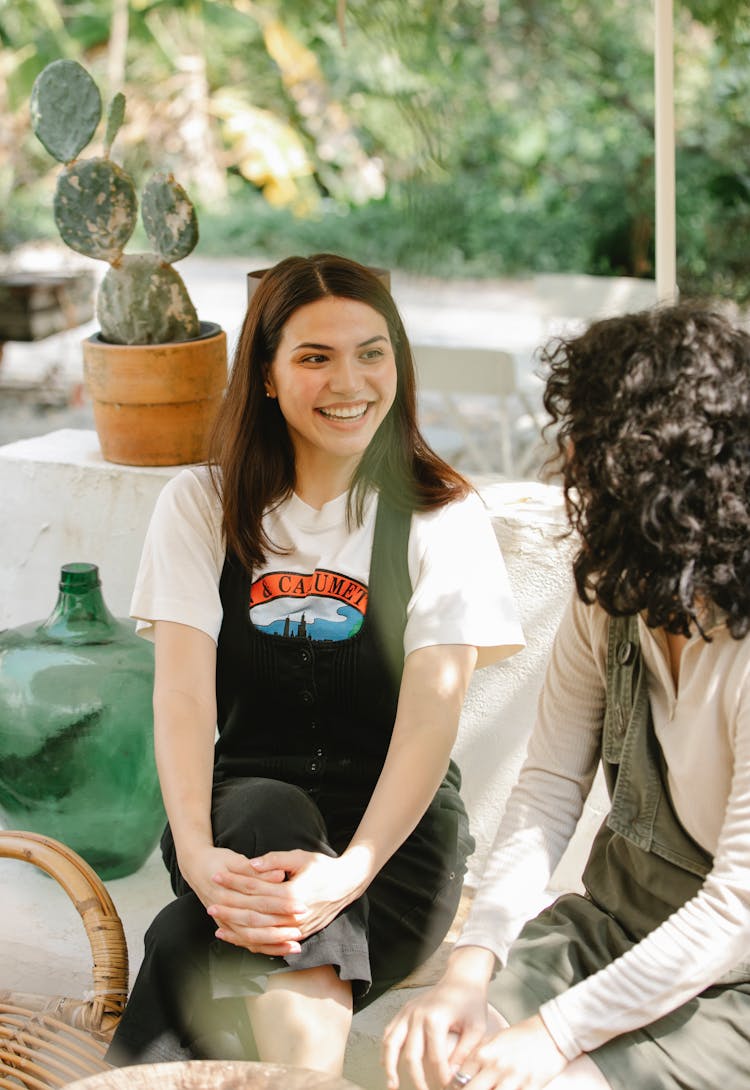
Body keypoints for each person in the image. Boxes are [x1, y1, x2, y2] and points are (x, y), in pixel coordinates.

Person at [106, 253, 524, 1074]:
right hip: (234, 832)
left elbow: (430, 719)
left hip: (394, 852)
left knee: (188, 937)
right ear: (264, 376)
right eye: (315, 357)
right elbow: (184, 701)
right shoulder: (200, 506)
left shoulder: (443, 517)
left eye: (372, 351)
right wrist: (193, 852)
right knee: (267, 803)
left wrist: (347, 874)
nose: (351, 380)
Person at [382, 303, 750, 1090]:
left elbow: (735, 913)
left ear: (650, 462)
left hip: (738, 978)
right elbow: (549, 786)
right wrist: (470, 970)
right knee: (436, 1058)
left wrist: (554, 1036)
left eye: (585, 439)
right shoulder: (614, 588)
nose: (568, 459)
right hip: (612, 926)